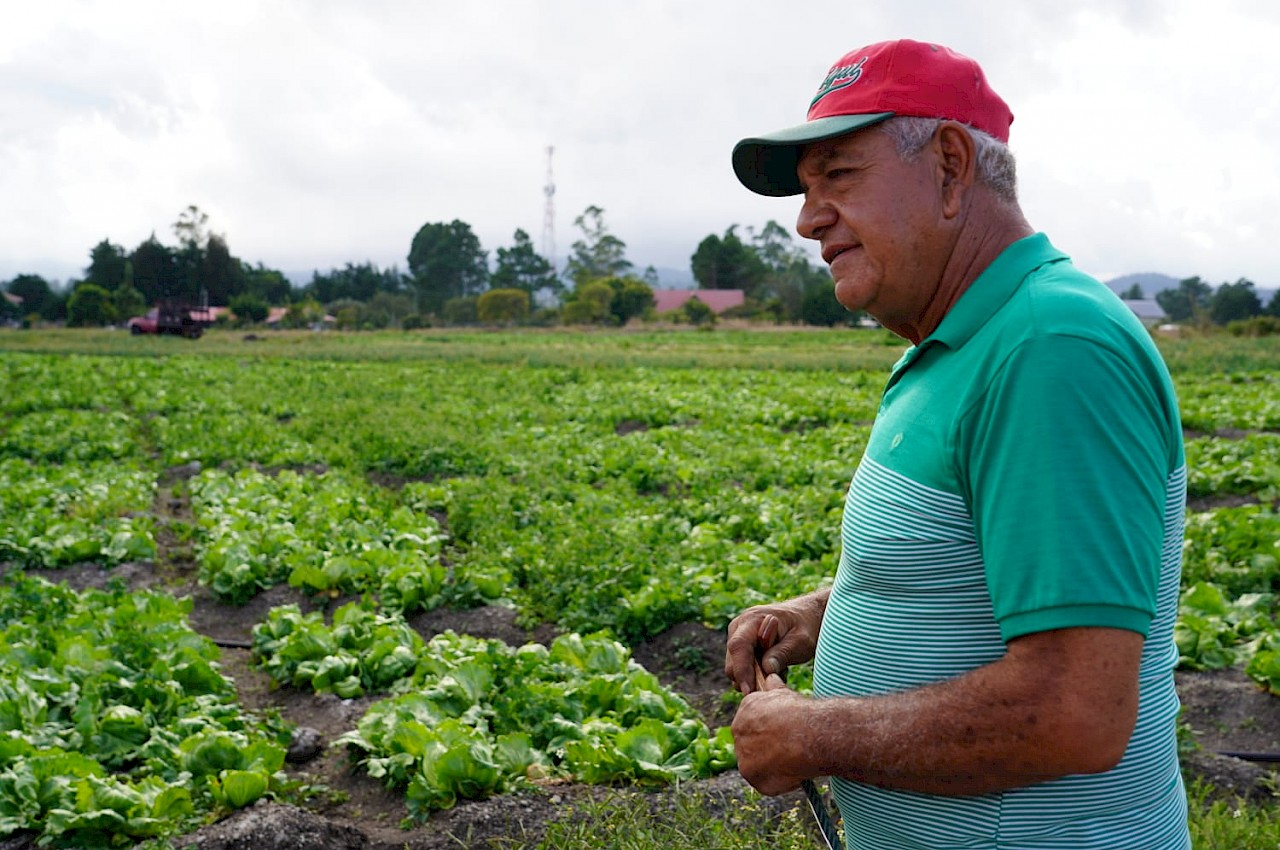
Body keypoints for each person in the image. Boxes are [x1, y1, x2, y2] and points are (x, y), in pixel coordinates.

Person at [724, 39, 1190, 849]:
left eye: (838, 176)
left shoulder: (1051, 347)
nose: (806, 220)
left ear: (948, 165)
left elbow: (1074, 711)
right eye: (804, 190)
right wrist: (823, 616)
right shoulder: (954, 344)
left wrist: (813, 735)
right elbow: (975, 579)